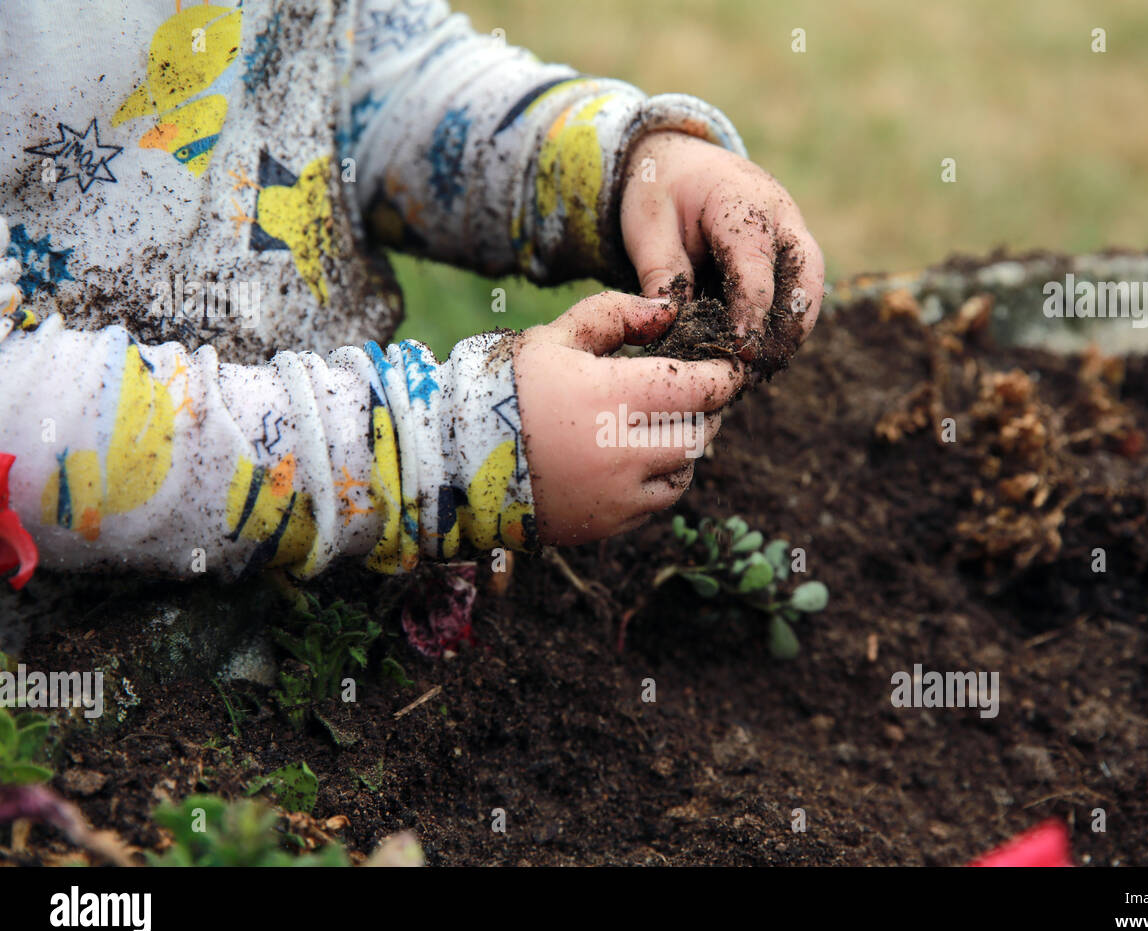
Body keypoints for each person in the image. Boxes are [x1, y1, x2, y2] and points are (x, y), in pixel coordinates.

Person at [0, 0, 823, 582]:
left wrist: (620, 168)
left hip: (338, 571)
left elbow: (375, 73)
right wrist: (441, 448)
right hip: (72, 659)